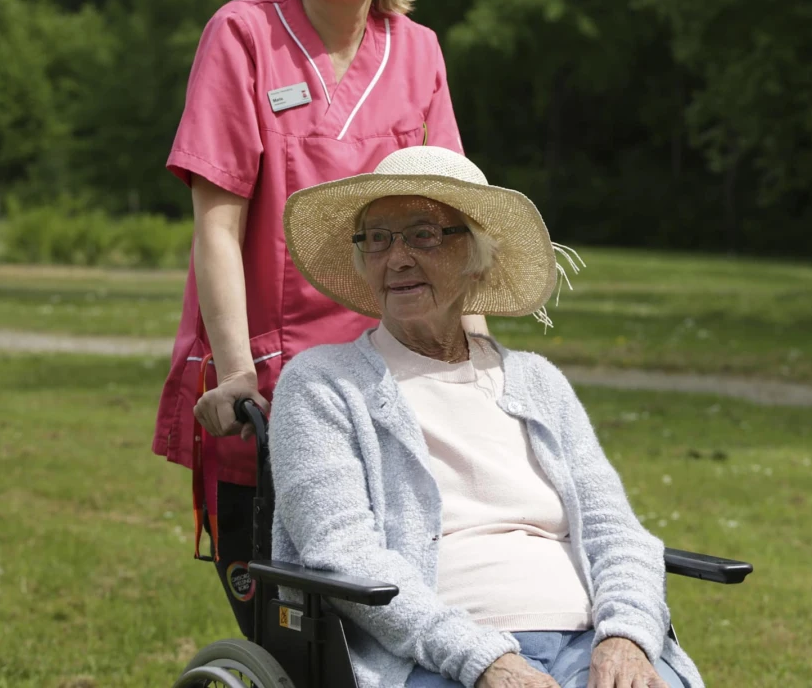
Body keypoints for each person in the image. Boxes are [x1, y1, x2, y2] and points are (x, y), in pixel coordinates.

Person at [150, 0, 486, 636]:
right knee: (302, 638)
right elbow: (217, 227)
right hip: (269, 380)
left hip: (395, 384)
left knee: (409, 622)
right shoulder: (242, 35)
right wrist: (235, 376)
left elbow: (453, 224)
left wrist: (477, 360)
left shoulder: (420, 50)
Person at [270, 146, 700, 688]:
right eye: (378, 238)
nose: (396, 258)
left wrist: (628, 636)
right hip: (429, 654)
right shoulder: (324, 384)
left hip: (588, 640)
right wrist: (484, 660)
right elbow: (343, 555)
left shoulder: (538, 381)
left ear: (477, 255)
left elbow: (616, 531)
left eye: (423, 234)